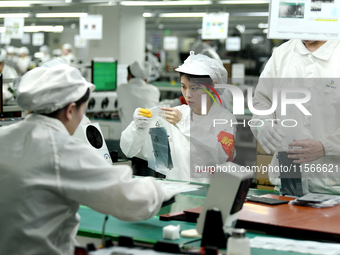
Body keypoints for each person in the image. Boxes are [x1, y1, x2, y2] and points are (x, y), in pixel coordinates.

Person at [0, 63, 177, 254]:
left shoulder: (4, 136)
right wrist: (163, 190)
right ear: (70, 110)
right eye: (81, 112)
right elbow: (130, 198)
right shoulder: (63, 150)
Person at [120, 51, 237, 183]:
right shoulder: (173, 116)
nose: (187, 94)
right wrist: (137, 128)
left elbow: (222, 157)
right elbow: (130, 150)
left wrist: (184, 123)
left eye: (194, 88)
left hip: (209, 196)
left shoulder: (225, 119)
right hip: (177, 195)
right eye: (183, 86)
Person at [250, 39, 340, 195]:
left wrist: (327, 146)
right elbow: (262, 100)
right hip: (288, 180)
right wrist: (262, 122)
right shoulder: (282, 54)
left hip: (333, 184)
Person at [117, 61, 160, 131]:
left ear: (128, 76)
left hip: (129, 139)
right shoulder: (154, 90)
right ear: (146, 79)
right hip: (150, 139)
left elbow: (120, 114)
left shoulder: (121, 88)